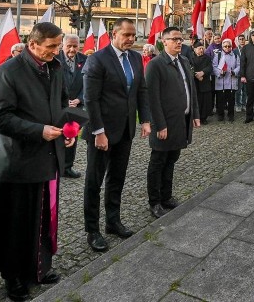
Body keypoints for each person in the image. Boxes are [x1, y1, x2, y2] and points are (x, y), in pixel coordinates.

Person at [0, 22, 75, 302]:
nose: (56, 51)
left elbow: (61, 102)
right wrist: (39, 131)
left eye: (58, 46)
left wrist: (66, 131)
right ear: (33, 44)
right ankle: (14, 277)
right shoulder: (8, 72)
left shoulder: (53, 67)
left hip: (47, 156)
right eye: (51, 47)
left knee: (43, 219)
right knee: (17, 224)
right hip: (18, 163)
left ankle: (39, 267)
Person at [81, 18, 150, 253]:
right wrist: (98, 132)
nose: (131, 39)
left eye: (134, 35)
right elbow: (90, 99)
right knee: (94, 181)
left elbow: (141, 90)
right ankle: (92, 230)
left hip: (125, 130)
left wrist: (146, 119)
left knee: (117, 179)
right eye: (127, 35)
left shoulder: (136, 58)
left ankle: (113, 221)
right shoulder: (97, 59)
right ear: (114, 33)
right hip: (102, 132)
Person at [144, 27, 200, 218]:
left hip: (181, 121)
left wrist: (195, 114)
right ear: (163, 41)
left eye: (180, 39)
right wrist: (159, 125)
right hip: (164, 124)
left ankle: (166, 196)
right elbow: (152, 99)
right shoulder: (155, 65)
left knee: (172, 160)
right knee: (158, 162)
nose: (179, 42)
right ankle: (155, 202)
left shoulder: (184, 61)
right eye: (174, 39)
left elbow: (190, 89)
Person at [58, 33, 87, 179]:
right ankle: (55, 167)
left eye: (75, 46)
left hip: (76, 107)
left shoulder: (85, 60)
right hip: (59, 106)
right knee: (57, 135)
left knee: (72, 135)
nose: (72, 49)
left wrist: (79, 99)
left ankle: (67, 167)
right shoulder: (54, 59)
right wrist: (63, 101)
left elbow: (88, 84)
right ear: (62, 45)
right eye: (68, 46)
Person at [212, 38, 240, 122]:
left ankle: (231, 115)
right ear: (222, 47)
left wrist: (234, 72)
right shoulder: (218, 55)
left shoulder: (235, 55)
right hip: (221, 81)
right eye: (225, 46)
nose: (227, 48)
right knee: (220, 99)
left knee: (231, 100)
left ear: (231, 46)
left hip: (231, 80)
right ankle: (220, 114)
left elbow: (239, 66)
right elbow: (214, 66)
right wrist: (220, 72)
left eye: (229, 46)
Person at [190, 41, 213, 125]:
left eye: (202, 48)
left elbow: (210, 67)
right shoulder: (190, 58)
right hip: (195, 83)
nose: (201, 50)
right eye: (199, 48)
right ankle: (196, 117)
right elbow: (189, 68)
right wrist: (196, 75)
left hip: (205, 81)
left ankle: (204, 118)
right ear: (195, 49)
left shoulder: (207, 58)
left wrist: (202, 73)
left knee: (205, 102)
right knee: (196, 101)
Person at [234, 34, 248, 112]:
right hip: (238, 73)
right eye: (240, 39)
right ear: (238, 41)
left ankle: (244, 104)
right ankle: (238, 104)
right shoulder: (235, 50)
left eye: (243, 39)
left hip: (246, 73)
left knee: (245, 90)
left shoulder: (248, 49)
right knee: (238, 90)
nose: (242, 41)